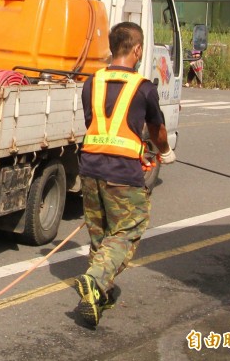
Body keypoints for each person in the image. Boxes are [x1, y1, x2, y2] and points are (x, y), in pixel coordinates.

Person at [75, 22, 176, 328]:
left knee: (101, 234)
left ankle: (96, 296)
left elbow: (94, 121)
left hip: (90, 168)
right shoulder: (144, 87)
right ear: (138, 50)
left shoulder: (93, 82)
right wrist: (164, 152)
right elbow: (156, 129)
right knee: (127, 230)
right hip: (122, 173)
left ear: (111, 47)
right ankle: (94, 280)